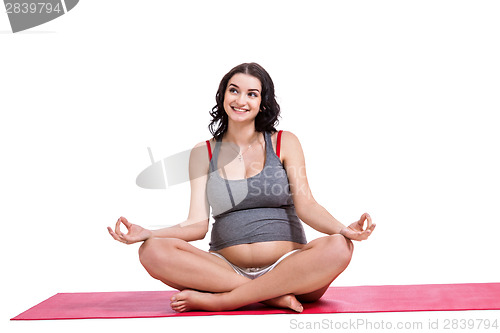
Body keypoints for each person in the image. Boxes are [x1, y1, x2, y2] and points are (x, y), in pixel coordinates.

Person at [107, 62, 376, 313]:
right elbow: (196, 225)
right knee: (152, 250)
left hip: (289, 265)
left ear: (263, 102)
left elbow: (307, 205)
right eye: (234, 91)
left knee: (340, 247)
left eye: (252, 94)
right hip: (224, 267)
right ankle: (270, 296)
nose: (241, 100)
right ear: (223, 96)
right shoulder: (204, 152)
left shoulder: (284, 142)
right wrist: (148, 233)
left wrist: (343, 229)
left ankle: (225, 300)